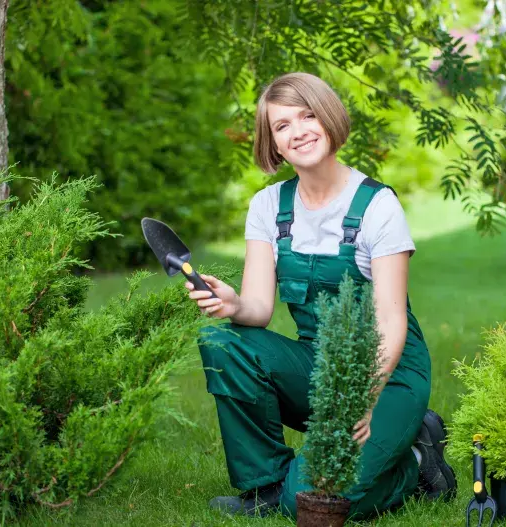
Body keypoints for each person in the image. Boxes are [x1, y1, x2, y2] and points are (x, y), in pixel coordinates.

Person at [186, 72, 457, 521]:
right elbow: (259, 309)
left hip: (388, 377)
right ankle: (267, 485)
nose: (298, 132)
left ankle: (415, 465)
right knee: (224, 342)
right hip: (319, 366)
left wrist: (362, 400)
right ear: (272, 142)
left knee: (312, 503)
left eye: (307, 116)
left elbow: (391, 325)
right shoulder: (269, 206)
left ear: (328, 118)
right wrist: (233, 305)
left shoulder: (377, 206)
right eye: (282, 125)